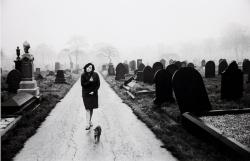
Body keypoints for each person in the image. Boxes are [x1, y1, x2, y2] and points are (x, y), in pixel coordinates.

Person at [81, 63, 100, 130]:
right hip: (86, 94)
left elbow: (98, 84)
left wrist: (94, 91)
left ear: (92, 69)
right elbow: (83, 85)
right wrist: (89, 81)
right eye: (87, 67)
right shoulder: (83, 75)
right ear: (85, 67)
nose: (88, 68)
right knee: (87, 109)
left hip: (93, 94)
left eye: (90, 68)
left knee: (91, 108)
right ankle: (87, 124)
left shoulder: (95, 75)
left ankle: (89, 121)